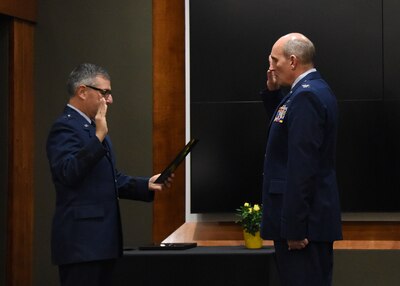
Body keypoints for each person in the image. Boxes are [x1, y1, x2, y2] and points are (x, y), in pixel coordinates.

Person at [46, 63, 173, 286]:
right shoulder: (65, 127)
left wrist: (146, 185)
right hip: (81, 245)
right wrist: (98, 137)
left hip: (102, 243)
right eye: (105, 92)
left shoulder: (93, 127)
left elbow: (109, 178)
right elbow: (68, 173)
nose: (110, 99)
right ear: (83, 92)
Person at [260, 33, 342, 286]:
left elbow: (301, 167)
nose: (271, 67)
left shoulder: (306, 97)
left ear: (293, 61)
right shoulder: (308, 91)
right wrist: (273, 93)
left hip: (303, 230)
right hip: (306, 223)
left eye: (275, 61)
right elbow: (286, 128)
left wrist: (294, 228)